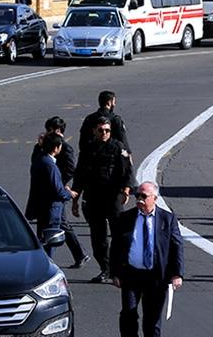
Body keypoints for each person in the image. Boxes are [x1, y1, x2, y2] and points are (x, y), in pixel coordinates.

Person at [109, 181, 183, 337]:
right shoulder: (125, 218)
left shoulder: (167, 219)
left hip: (156, 278)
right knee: (128, 315)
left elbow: (176, 246)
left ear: (154, 199)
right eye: (138, 196)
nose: (140, 200)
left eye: (144, 196)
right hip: (131, 275)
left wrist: (177, 274)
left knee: (152, 322)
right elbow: (116, 247)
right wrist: (114, 272)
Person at [73, 119, 134, 283]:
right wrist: (75, 198)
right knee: (98, 237)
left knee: (118, 234)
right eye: (101, 130)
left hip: (113, 197)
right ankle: (105, 269)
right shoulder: (87, 149)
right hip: (93, 198)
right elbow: (79, 175)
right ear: (94, 131)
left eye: (107, 130)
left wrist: (126, 191)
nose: (104, 133)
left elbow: (128, 171)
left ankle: (119, 268)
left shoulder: (118, 148)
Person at [32, 117, 89, 267]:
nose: (46, 133)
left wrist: (61, 186)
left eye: (49, 130)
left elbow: (70, 169)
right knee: (58, 225)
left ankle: (51, 261)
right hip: (54, 192)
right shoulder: (42, 149)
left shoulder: (65, 148)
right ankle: (79, 254)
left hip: (57, 192)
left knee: (55, 228)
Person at [25, 133, 73, 255]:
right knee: (50, 242)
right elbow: (57, 189)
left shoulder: (39, 160)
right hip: (51, 209)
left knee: (42, 240)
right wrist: (69, 194)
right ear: (56, 148)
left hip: (41, 207)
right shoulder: (50, 165)